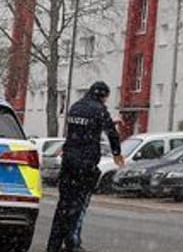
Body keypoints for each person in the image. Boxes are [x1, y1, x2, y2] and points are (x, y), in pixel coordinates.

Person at [47, 81, 123, 252]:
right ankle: (72, 243)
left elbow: (79, 130)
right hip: (85, 164)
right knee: (78, 207)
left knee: (63, 206)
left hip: (68, 163)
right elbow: (111, 133)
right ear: (103, 96)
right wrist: (117, 153)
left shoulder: (75, 107)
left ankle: (53, 246)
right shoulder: (99, 110)